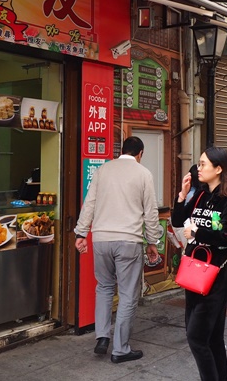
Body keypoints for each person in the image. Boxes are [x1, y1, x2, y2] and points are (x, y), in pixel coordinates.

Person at [74, 137, 162, 364]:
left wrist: (81, 233)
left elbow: (89, 203)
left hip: (101, 240)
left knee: (103, 287)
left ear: (121, 151)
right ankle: (121, 349)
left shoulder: (103, 170)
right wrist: (153, 242)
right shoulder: (143, 174)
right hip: (128, 241)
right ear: (140, 154)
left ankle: (102, 336)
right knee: (127, 295)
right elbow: (150, 212)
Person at [172, 148, 227, 381]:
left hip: (217, 273)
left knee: (196, 337)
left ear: (218, 168)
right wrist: (183, 196)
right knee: (213, 337)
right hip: (194, 269)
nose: (199, 168)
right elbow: (177, 220)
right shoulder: (201, 194)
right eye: (199, 163)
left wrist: (196, 232)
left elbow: (226, 233)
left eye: (203, 164)